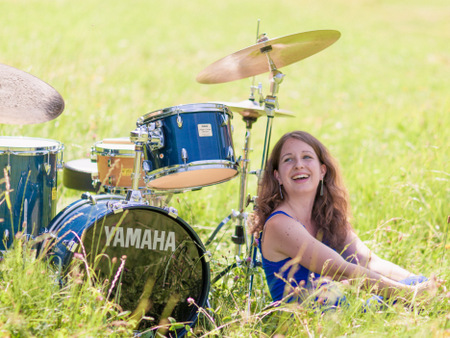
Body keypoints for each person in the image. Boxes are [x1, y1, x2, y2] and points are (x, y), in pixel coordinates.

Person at [249, 130, 433, 308]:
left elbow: (368, 261)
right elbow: (341, 270)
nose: (298, 165)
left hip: (342, 318)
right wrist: (411, 293)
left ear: (322, 171)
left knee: (421, 284)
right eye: (288, 159)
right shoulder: (280, 224)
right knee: (412, 298)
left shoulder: (326, 217)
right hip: (307, 325)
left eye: (307, 157)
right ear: (277, 176)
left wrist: (422, 286)